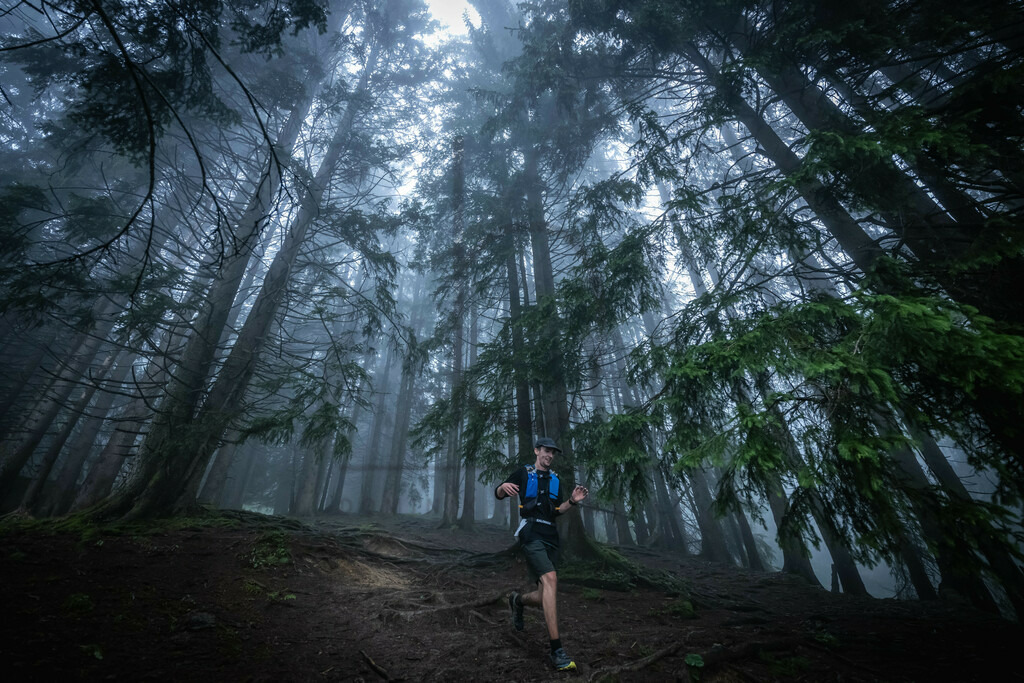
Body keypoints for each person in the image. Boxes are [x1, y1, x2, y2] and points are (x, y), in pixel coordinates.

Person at [495, 436, 589, 671]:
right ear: (537, 451)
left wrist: (572, 501)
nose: (549, 455)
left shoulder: (555, 479)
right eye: (546, 451)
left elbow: (557, 510)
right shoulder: (524, 473)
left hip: (551, 538)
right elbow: (500, 494)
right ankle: (557, 650)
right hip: (530, 533)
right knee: (551, 579)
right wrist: (500, 488)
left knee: (542, 593)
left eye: (553, 452)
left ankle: (517, 600)